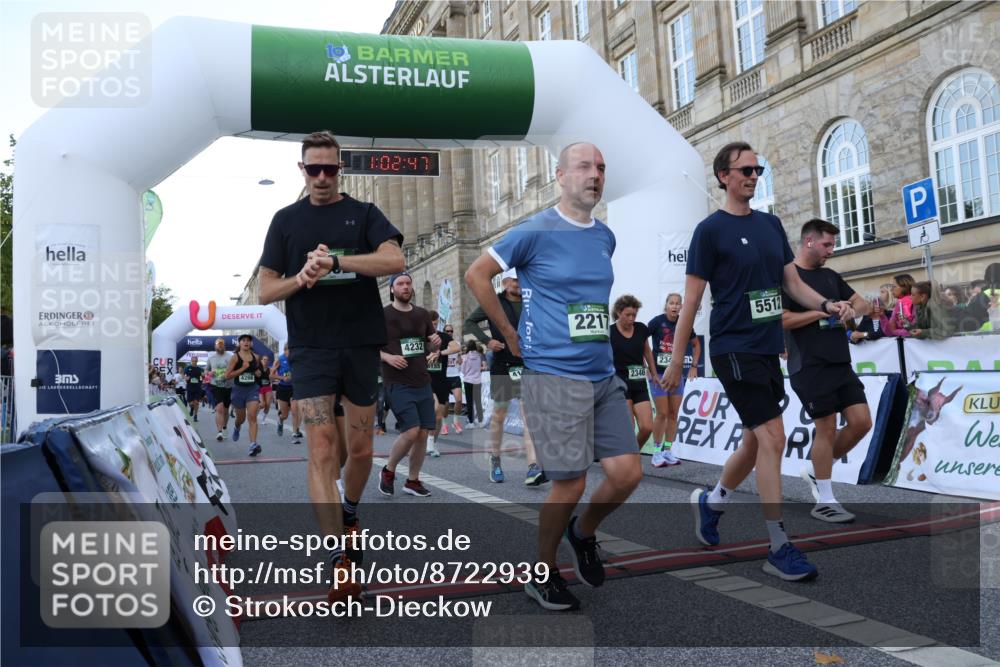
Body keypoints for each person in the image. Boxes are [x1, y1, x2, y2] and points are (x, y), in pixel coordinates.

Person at [663, 142, 854, 582]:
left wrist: (827, 303)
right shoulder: (708, 231)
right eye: (745, 169)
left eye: (757, 169)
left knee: (754, 442)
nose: (753, 175)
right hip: (731, 347)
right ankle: (778, 544)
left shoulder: (770, 224)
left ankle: (711, 505)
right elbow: (691, 301)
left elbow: (791, 281)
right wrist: (677, 359)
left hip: (767, 347)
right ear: (723, 177)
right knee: (773, 437)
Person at [466, 142, 642, 611]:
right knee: (570, 483)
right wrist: (506, 332)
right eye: (584, 167)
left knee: (628, 474)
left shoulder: (605, 236)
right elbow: (476, 274)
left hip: (601, 373)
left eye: (601, 167)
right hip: (553, 374)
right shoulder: (535, 231)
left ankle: (582, 532)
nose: (595, 174)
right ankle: (541, 573)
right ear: (561, 175)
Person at [257, 130, 405, 603]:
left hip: (360, 342)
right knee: (321, 447)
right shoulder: (285, 220)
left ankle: (351, 507)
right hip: (311, 348)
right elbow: (265, 290)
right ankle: (339, 559)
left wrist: (338, 260)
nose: (321, 176)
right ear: (301, 170)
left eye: (330, 168)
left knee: (359, 450)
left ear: (341, 169)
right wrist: (301, 277)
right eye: (313, 168)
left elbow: (395, 259)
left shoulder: (362, 214)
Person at [781, 218, 873, 523]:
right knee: (827, 427)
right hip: (808, 364)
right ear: (809, 241)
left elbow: (862, 303)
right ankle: (826, 499)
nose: (831, 250)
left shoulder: (831, 276)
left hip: (839, 361)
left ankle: (816, 467)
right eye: (827, 244)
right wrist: (820, 311)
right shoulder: (787, 276)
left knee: (862, 422)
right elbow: (781, 320)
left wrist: (849, 308)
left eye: (833, 244)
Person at [463, 268, 546, 486]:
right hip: (503, 365)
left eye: (521, 280)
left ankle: (532, 467)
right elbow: (469, 322)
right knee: (499, 415)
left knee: (529, 415)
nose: (519, 284)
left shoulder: (530, 301)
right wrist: (487, 341)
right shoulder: (495, 302)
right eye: (515, 280)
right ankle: (495, 460)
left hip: (527, 364)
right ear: (506, 280)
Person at [378, 273, 439, 498]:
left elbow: (430, 347)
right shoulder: (383, 315)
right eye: (400, 284)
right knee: (411, 430)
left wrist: (436, 345)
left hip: (422, 380)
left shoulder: (422, 314)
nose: (405, 287)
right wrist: (387, 357)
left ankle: (412, 481)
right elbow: (368, 346)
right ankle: (388, 470)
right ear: (392, 289)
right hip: (397, 381)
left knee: (423, 434)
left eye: (408, 283)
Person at [647, 293, 702, 466]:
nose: (675, 306)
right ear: (666, 305)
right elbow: (641, 341)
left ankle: (668, 450)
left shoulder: (684, 324)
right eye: (672, 303)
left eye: (678, 303)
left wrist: (693, 366)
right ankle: (656, 453)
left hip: (677, 375)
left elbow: (696, 345)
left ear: (681, 307)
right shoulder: (656, 322)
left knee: (673, 414)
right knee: (662, 413)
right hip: (660, 375)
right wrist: (648, 367)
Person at [610, 295, 657, 458]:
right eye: (627, 315)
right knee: (628, 429)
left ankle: (631, 455)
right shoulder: (610, 333)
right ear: (618, 312)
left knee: (647, 427)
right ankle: (627, 460)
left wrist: (654, 373)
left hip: (639, 383)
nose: (631, 319)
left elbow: (647, 352)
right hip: (619, 384)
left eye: (634, 315)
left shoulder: (641, 329)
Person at [427, 310, 461, 457]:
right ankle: (428, 443)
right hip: (426, 380)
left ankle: (434, 443)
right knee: (434, 410)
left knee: (439, 416)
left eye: (435, 324)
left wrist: (440, 353)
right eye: (430, 325)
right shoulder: (421, 338)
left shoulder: (444, 337)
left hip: (441, 380)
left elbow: (456, 347)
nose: (433, 328)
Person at [224, 334, 263, 456]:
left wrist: (258, 373)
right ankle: (237, 427)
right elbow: (227, 376)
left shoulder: (256, 357)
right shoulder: (235, 357)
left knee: (252, 416)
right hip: (238, 391)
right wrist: (242, 368)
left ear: (251, 344)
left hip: (252, 389)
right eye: (243, 340)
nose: (246, 342)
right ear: (239, 343)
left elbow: (258, 373)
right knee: (241, 419)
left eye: (248, 341)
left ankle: (253, 445)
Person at [205, 338, 234, 442]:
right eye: (218, 344)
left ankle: (225, 427)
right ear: (215, 346)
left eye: (221, 344)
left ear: (224, 346)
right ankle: (219, 432)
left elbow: (234, 369)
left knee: (226, 410)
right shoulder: (211, 357)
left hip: (228, 385)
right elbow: (206, 370)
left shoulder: (230, 357)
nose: (220, 346)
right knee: (219, 408)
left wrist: (228, 374)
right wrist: (209, 373)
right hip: (216, 385)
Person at [271, 344, 301, 439]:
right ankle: (280, 421)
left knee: (295, 410)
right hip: (283, 388)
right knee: (285, 415)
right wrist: (282, 378)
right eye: (289, 350)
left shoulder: (296, 360)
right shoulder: (279, 360)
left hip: (295, 388)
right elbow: (271, 376)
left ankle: (295, 431)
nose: (291, 353)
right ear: (285, 350)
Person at [441, 323, 465, 435]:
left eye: (451, 331)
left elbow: (459, 359)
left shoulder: (457, 344)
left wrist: (460, 358)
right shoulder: (441, 344)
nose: (449, 333)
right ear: (444, 332)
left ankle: (455, 422)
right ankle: (444, 424)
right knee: (445, 405)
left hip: (455, 375)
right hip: (444, 376)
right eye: (447, 331)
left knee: (459, 400)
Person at [460, 341, 485, 428]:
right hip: (478, 380)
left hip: (468, 381)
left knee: (469, 402)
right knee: (478, 402)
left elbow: (463, 370)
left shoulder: (465, 357)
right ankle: (481, 421)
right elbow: (480, 368)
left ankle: (471, 422)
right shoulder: (479, 356)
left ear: (468, 347)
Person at [258, 354, 274, 423]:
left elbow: (272, 380)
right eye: (264, 359)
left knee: (268, 404)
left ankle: (263, 419)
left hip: (267, 387)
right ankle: (254, 414)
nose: (265, 361)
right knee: (262, 404)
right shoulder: (258, 369)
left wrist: (271, 378)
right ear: (261, 360)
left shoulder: (270, 370)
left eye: (267, 360)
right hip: (260, 388)